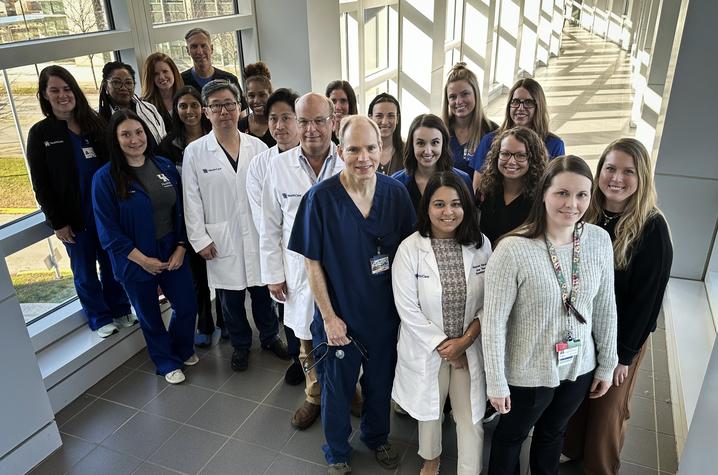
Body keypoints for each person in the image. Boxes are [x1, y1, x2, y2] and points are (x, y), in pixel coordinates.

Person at [288, 116, 415, 474]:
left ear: (382, 150)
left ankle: (376, 438)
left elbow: (408, 255)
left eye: (371, 148)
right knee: (337, 388)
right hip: (338, 316)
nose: (364, 157)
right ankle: (338, 450)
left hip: (383, 315)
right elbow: (312, 266)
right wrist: (329, 318)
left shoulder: (395, 193)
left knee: (379, 384)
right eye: (354, 149)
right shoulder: (320, 199)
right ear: (340, 151)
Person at [482, 155, 618, 474]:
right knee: (511, 436)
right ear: (544, 192)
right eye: (562, 193)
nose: (572, 204)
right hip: (527, 369)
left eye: (582, 195)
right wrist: (497, 382)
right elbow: (493, 323)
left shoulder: (598, 240)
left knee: (553, 434)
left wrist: (607, 364)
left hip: (578, 365)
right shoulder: (513, 249)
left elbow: (605, 307)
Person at [563, 139, 673, 474]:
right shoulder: (586, 212)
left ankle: (600, 467)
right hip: (583, 331)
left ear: (642, 178)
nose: (617, 178)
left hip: (623, 336)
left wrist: (623, 356)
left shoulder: (652, 228)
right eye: (610, 168)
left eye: (628, 171)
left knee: (607, 409)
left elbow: (646, 304)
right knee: (577, 399)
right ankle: (573, 451)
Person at [182, 80, 289, 372]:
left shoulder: (258, 147)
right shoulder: (195, 151)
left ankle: (269, 337)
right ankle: (241, 345)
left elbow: (272, 193)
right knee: (230, 298)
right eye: (216, 105)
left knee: (263, 292)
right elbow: (191, 199)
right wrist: (199, 238)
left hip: (257, 234)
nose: (224, 111)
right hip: (220, 237)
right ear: (206, 111)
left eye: (229, 104)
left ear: (238, 106)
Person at [392, 172, 491, 475]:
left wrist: (465, 342)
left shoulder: (481, 245)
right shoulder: (410, 249)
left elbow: (491, 302)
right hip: (429, 348)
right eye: (439, 204)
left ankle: (469, 470)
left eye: (456, 204)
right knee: (430, 410)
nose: (448, 212)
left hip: (468, 349)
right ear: (426, 208)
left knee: (470, 417)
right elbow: (407, 308)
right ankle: (431, 458)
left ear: (467, 207)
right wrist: (443, 346)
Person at [27, 65, 135, 338]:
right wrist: (57, 222)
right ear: (44, 95)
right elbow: (41, 184)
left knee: (111, 262)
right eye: (55, 90)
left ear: (75, 91)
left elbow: (115, 164)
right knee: (84, 269)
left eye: (67, 89)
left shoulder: (96, 123)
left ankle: (120, 308)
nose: (63, 95)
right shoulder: (41, 134)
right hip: (73, 216)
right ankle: (99, 317)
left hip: (105, 211)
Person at [92, 110, 197, 384]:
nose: (134, 139)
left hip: (171, 248)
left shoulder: (162, 165)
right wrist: (143, 260)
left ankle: (181, 349)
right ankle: (165, 362)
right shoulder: (104, 179)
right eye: (125, 134)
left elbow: (182, 210)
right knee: (149, 315)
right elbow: (108, 232)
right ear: (115, 140)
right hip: (133, 257)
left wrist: (182, 247)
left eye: (138, 132)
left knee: (186, 305)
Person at [259, 93, 345, 430]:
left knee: (343, 333)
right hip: (296, 270)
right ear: (294, 122)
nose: (311, 129)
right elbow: (268, 225)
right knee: (306, 339)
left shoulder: (347, 162)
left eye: (319, 120)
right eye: (304, 121)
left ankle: (347, 389)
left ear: (332, 122)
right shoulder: (278, 167)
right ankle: (314, 395)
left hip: (340, 270)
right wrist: (273, 274)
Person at [157, 86, 224, 348]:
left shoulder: (217, 136)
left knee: (223, 272)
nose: (189, 111)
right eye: (183, 106)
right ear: (176, 110)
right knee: (198, 277)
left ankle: (226, 322)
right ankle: (205, 325)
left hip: (218, 213)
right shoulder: (168, 146)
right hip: (187, 218)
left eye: (194, 105)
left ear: (204, 109)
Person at [246, 88, 304, 386]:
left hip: (320, 254)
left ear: (300, 121)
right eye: (273, 119)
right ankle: (300, 360)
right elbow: (264, 222)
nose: (279, 126)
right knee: (289, 312)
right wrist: (274, 271)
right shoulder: (260, 165)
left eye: (286, 118)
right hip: (284, 254)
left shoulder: (320, 155)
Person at [470, 78, 565, 190]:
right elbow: (478, 186)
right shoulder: (490, 139)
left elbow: (557, 186)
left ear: (539, 106)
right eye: (515, 102)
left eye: (528, 103)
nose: (520, 108)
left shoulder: (554, 144)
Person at [477, 126, 548, 244]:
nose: (511, 161)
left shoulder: (542, 198)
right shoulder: (488, 190)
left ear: (533, 159)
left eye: (520, 155)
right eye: (505, 154)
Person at [392, 114, 473, 211]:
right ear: (412, 145)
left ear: (443, 144)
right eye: (421, 143)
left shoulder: (463, 180)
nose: (428, 151)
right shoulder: (396, 183)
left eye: (435, 143)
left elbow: (470, 222)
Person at [442, 62, 497, 178]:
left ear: (475, 94)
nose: (458, 101)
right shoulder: (440, 131)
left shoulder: (493, 132)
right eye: (452, 97)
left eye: (465, 94)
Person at [98, 61, 166, 148]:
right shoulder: (100, 119)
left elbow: (163, 138)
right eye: (116, 83)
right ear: (106, 86)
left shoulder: (149, 109)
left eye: (128, 83)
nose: (123, 88)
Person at [180, 28, 248, 113]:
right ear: (188, 51)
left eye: (203, 46)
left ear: (211, 48)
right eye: (194, 47)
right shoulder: (181, 81)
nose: (199, 51)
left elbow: (241, 116)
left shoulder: (229, 79)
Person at [141, 52, 185, 131]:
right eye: (155, 74)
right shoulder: (144, 106)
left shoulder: (188, 97)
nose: (161, 77)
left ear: (173, 72)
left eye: (165, 71)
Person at [237, 62, 275, 147]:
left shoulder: (280, 125)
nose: (256, 100)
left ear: (270, 95)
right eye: (251, 96)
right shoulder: (239, 127)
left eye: (262, 95)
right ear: (245, 97)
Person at [368, 92, 404, 176]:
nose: (384, 122)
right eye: (379, 116)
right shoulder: (362, 152)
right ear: (370, 118)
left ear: (397, 119)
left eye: (391, 116)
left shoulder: (407, 152)